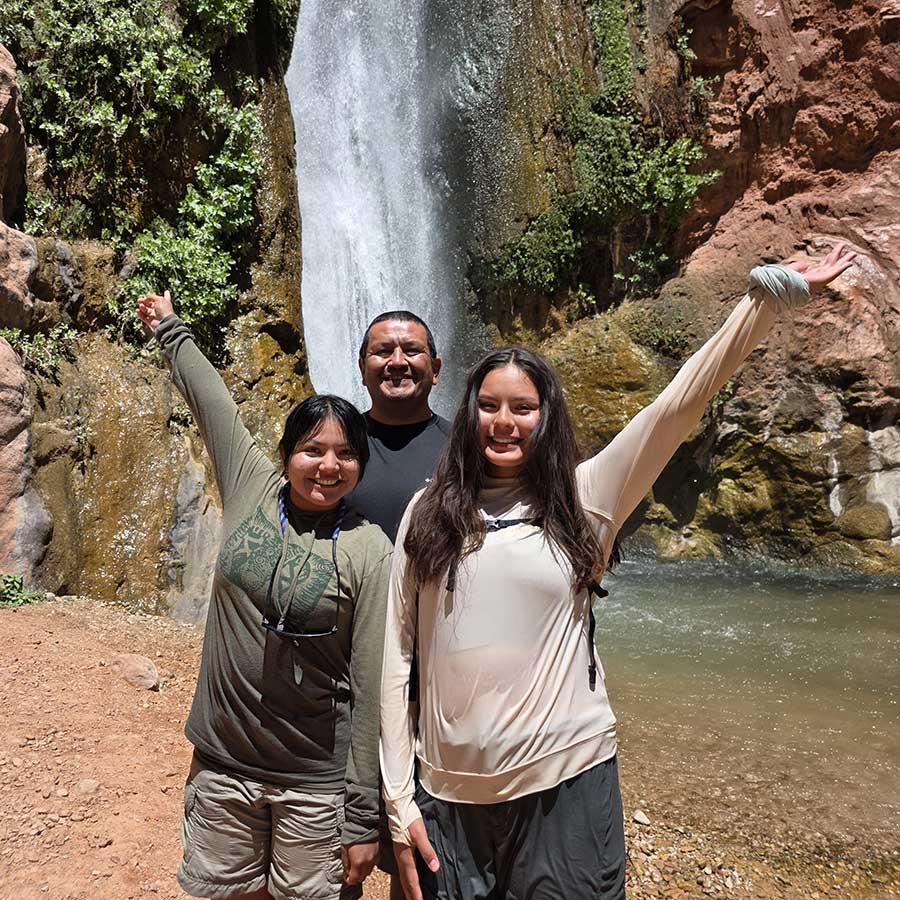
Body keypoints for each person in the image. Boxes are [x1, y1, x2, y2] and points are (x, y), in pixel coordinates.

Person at [379, 248, 857, 900]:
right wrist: (398, 799)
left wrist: (766, 300)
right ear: (467, 414)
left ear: (547, 419)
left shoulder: (585, 499)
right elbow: (396, 656)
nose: (503, 421)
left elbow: (676, 408)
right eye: (488, 405)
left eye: (523, 407)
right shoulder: (426, 512)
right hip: (448, 799)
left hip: (568, 788)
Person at [136, 291, 392, 900]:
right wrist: (172, 329)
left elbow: (371, 682)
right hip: (223, 767)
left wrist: (361, 817)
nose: (327, 465)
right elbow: (212, 402)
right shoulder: (253, 484)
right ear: (285, 455)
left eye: (345, 454)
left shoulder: (369, 549)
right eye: (312, 449)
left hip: (315, 787)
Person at [349, 311, 451, 543]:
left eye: (412, 350)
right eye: (383, 351)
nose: (397, 362)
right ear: (362, 369)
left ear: (435, 369)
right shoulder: (337, 444)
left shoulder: (464, 448)